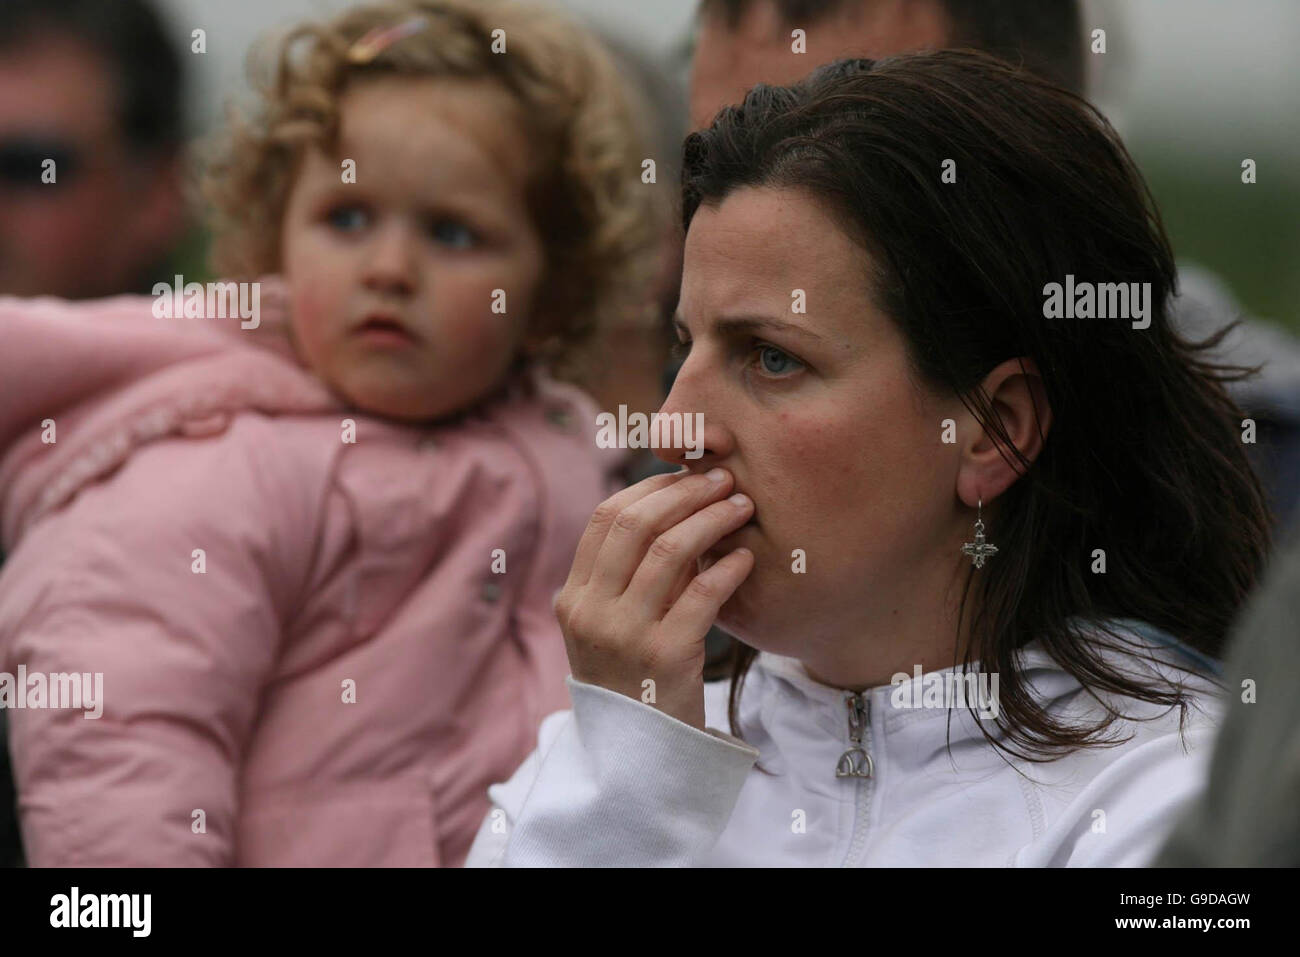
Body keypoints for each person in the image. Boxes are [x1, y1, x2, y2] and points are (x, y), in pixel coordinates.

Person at [465, 51, 1272, 867]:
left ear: (995, 427)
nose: (672, 428)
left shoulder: (1184, 801)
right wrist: (626, 790)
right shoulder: (615, 757)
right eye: (684, 347)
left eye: (771, 358)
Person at [0, 0, 656, 866]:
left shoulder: (572, 466)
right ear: (278, 238)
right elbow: (120, 746)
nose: (388, 268)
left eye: (452, 232)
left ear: (551, 294)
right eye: (346, 218)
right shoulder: (215, 458)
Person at [683, 0, 1300, 532]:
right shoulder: (663, 417)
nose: (679, 432)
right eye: (710, 162)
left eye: (839, 160)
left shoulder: (1274, 468)